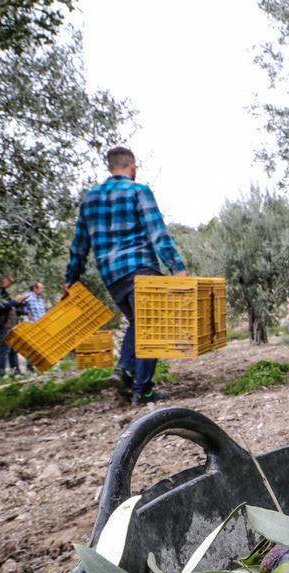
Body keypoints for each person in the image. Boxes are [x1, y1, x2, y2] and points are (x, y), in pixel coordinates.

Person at [65, 147, 187, 405]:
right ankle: (141, 391)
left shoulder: (90, 199)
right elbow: (157, 232)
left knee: (138, 323)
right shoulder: (138, 191)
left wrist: (71, 277)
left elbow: (79, 244)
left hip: (111, 275)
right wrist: (176, 267)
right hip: (140, 267)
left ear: (110, 167)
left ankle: (124, 371)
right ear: (132, 166)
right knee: (152, 328)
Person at [0, 275, 27, 378]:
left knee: (13, 349)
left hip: (11, 325)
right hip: (3, 325)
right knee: (4, 349)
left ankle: (15, 372)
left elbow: (10, 307)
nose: (10, 283)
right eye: (9, 280)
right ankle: (0, 373)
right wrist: (15, 301)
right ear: (2, 279)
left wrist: (20, 304)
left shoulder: (4, 293)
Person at [21, 281, 49, 372]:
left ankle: (40, 366)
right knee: (31, 347)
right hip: (32, 325)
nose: (43, 290)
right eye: (41, 288)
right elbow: (18, 305)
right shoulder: (27, 296)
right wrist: (26, 312)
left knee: (41, 346)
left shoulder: (40, 299)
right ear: (35, 289)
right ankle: (29, 367)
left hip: (41, 326)